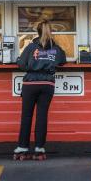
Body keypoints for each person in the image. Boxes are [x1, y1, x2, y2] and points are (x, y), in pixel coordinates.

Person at [14, 21, 66, 160]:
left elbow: (22, 65)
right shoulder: (56, 48)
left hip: (30, 83)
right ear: (51, 32)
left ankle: (22, 148)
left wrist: (26, 63)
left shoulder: (31, 47)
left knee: (27, 116)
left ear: (37, 32)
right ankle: (39, 148)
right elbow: (62, 60)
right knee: (42, 117)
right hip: (47, 84)